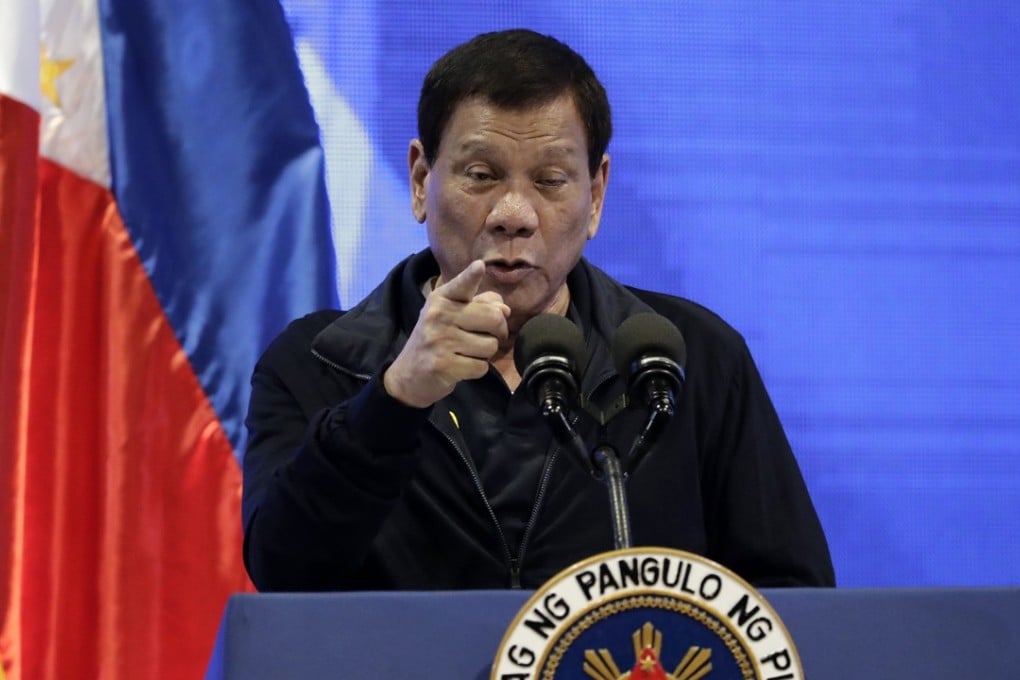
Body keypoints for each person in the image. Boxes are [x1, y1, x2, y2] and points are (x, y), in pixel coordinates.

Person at [241, 29, 835, 592]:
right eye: (481, 175)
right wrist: (393, 399)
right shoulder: (317, 364)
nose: (514, 213)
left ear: (596, 195)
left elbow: (789, 600)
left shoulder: (690, 359)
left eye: (551, 180)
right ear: (422, 179)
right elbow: (284, 571)